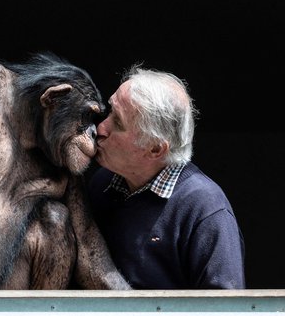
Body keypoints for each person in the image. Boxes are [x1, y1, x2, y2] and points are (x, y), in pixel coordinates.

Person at [87, 64, 246, 289]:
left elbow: (226, 315)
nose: (100, 128)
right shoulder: (102, 184)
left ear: (155, 149)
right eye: (110, 111)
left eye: (118, 122)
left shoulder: (205, 208)